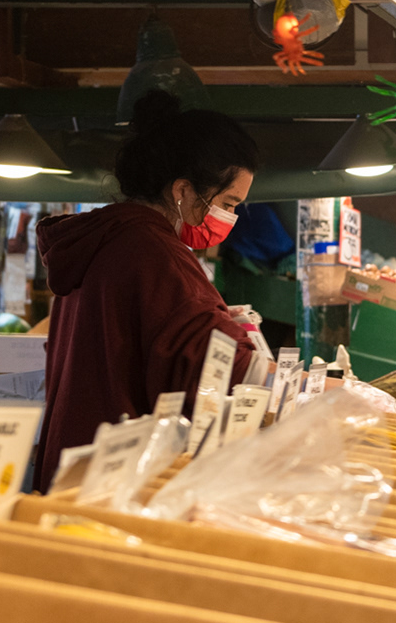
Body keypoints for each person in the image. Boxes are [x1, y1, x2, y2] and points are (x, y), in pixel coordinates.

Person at [35, 92, 262, 486]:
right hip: (117, 480)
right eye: (228, 201)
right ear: (183, 191)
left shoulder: (103, 238)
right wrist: (327, 391)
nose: (231, 216)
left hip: (75, 463)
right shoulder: (154, 251)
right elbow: (215, 363)